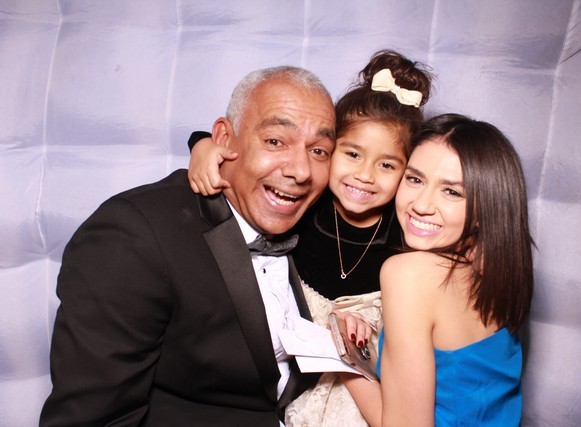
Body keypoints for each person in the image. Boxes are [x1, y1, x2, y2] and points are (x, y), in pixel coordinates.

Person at [39, 65, 370, 426]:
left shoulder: (319, 222)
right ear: (224, 139)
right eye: (275, 141)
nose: (301, 171)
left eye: (319, 151)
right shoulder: (134, 235)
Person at [187, 50, 434, 426]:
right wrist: (204, 148)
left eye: (387, 165)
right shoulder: (305, 204)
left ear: (407, 172)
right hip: (289, 369)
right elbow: (231, 145)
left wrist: (365, 324)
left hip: (363, 385)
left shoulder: (403, 235)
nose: (365, 175)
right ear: (327, 151)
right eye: (352, 154)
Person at [341, 113, 535, 426]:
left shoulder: (409, 274)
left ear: (487, 206)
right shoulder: (502, 270)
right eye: (415, 179)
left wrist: (343, 361)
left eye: (452, 192)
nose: (421, 205)